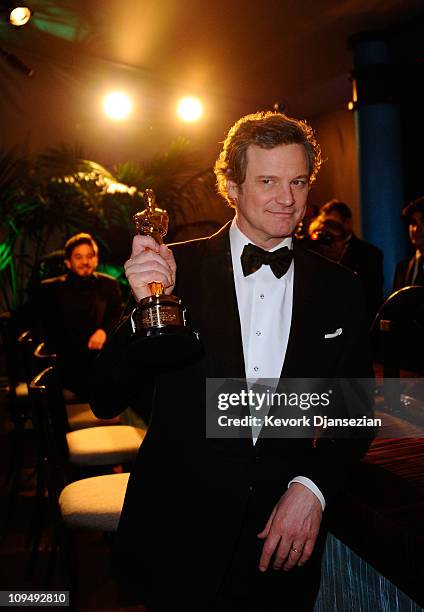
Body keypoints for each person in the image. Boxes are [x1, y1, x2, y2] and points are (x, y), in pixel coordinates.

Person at [89, 111, 374, 611]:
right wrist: (142, 309)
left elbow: (355, 412)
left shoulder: (341, 289)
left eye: (298, 181)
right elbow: (106, 397)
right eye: (268, 181)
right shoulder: (172, 271)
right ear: (231, 186)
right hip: (178, 533)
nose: (287, 199)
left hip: (278, 545)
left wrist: (313, 488)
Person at [33, 232, 123, 398]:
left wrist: (103, 331)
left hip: (102, 357)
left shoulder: (108, 284)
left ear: (96, 260)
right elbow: (48, 329)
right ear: (68, 262)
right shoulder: (51, 289)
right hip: (69, 362)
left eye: (90, 256)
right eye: (78, 257)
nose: (85, 262)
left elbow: (117, 314)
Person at [307, 199, 384, 323]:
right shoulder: (318, 249)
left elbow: (371, 299)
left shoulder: (370, 254)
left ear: (347, 223)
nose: (327, 231)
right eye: (324, 225)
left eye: (332, 225)